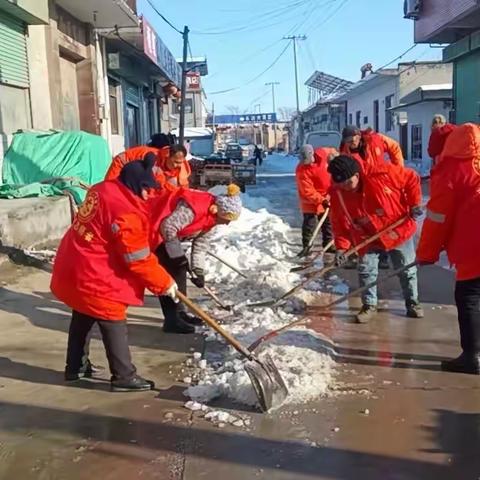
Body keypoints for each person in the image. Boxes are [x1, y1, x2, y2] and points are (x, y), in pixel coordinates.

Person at [51, 157, 178, 392]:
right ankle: (124, 376)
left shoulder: (103, 188)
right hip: (94, 271)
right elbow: (138, 259)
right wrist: (165, 282)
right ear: (134, 185)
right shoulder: (127, 213)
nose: (150, 195)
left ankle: (75, 367)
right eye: (147, 189)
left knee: (83, 313)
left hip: (73, 262)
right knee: (113, 319)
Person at [327, 155, 424, 323]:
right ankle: (369, 305)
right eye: (341, 184)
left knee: (406, 270)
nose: (346, 188)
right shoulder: (338, 193)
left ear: (357, 175)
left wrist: (414, 203)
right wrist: (342, 248)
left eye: (348, 183)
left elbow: (412, 178)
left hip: (397, 229)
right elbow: (339, 223)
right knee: (366, 270)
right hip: (367, 236)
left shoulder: (382, 174)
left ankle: (412, 303)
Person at [417, 123, 480, 374]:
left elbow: (438, 218)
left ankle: (473, 356)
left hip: (473, 246)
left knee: (470, 298)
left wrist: (426, 253)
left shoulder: (451, 171)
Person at [150, 184, 243, 334]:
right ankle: (172, 320)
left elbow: (201, 244)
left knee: (178, 271)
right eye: (227, 219)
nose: (227, 223)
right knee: (171, 274)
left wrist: (198, 271)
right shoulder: (193, 208)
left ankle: (180, 313)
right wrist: (178, 255)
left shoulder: (213, 218)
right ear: (217, 210)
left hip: (165, 235)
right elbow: (167, 226)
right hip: (153, 230)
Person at [295, 145, 337, 256]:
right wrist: (321, 200)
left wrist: (335, 159)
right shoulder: (301, 170)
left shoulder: (323, 153)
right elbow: (308, 191)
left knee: (328, 222)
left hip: (327, 196)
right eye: (303, 160)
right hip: (309, 201)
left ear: (312, 155)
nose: (305, 162)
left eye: (307, 159)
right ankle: (307, 247)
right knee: (309, 224)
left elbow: (334, 153)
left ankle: (328, 244)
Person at [105, 133, 172, 181]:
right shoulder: (152, 155)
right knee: (110, 190)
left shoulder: (154, 156)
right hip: (120, 165)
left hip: (124, 165)